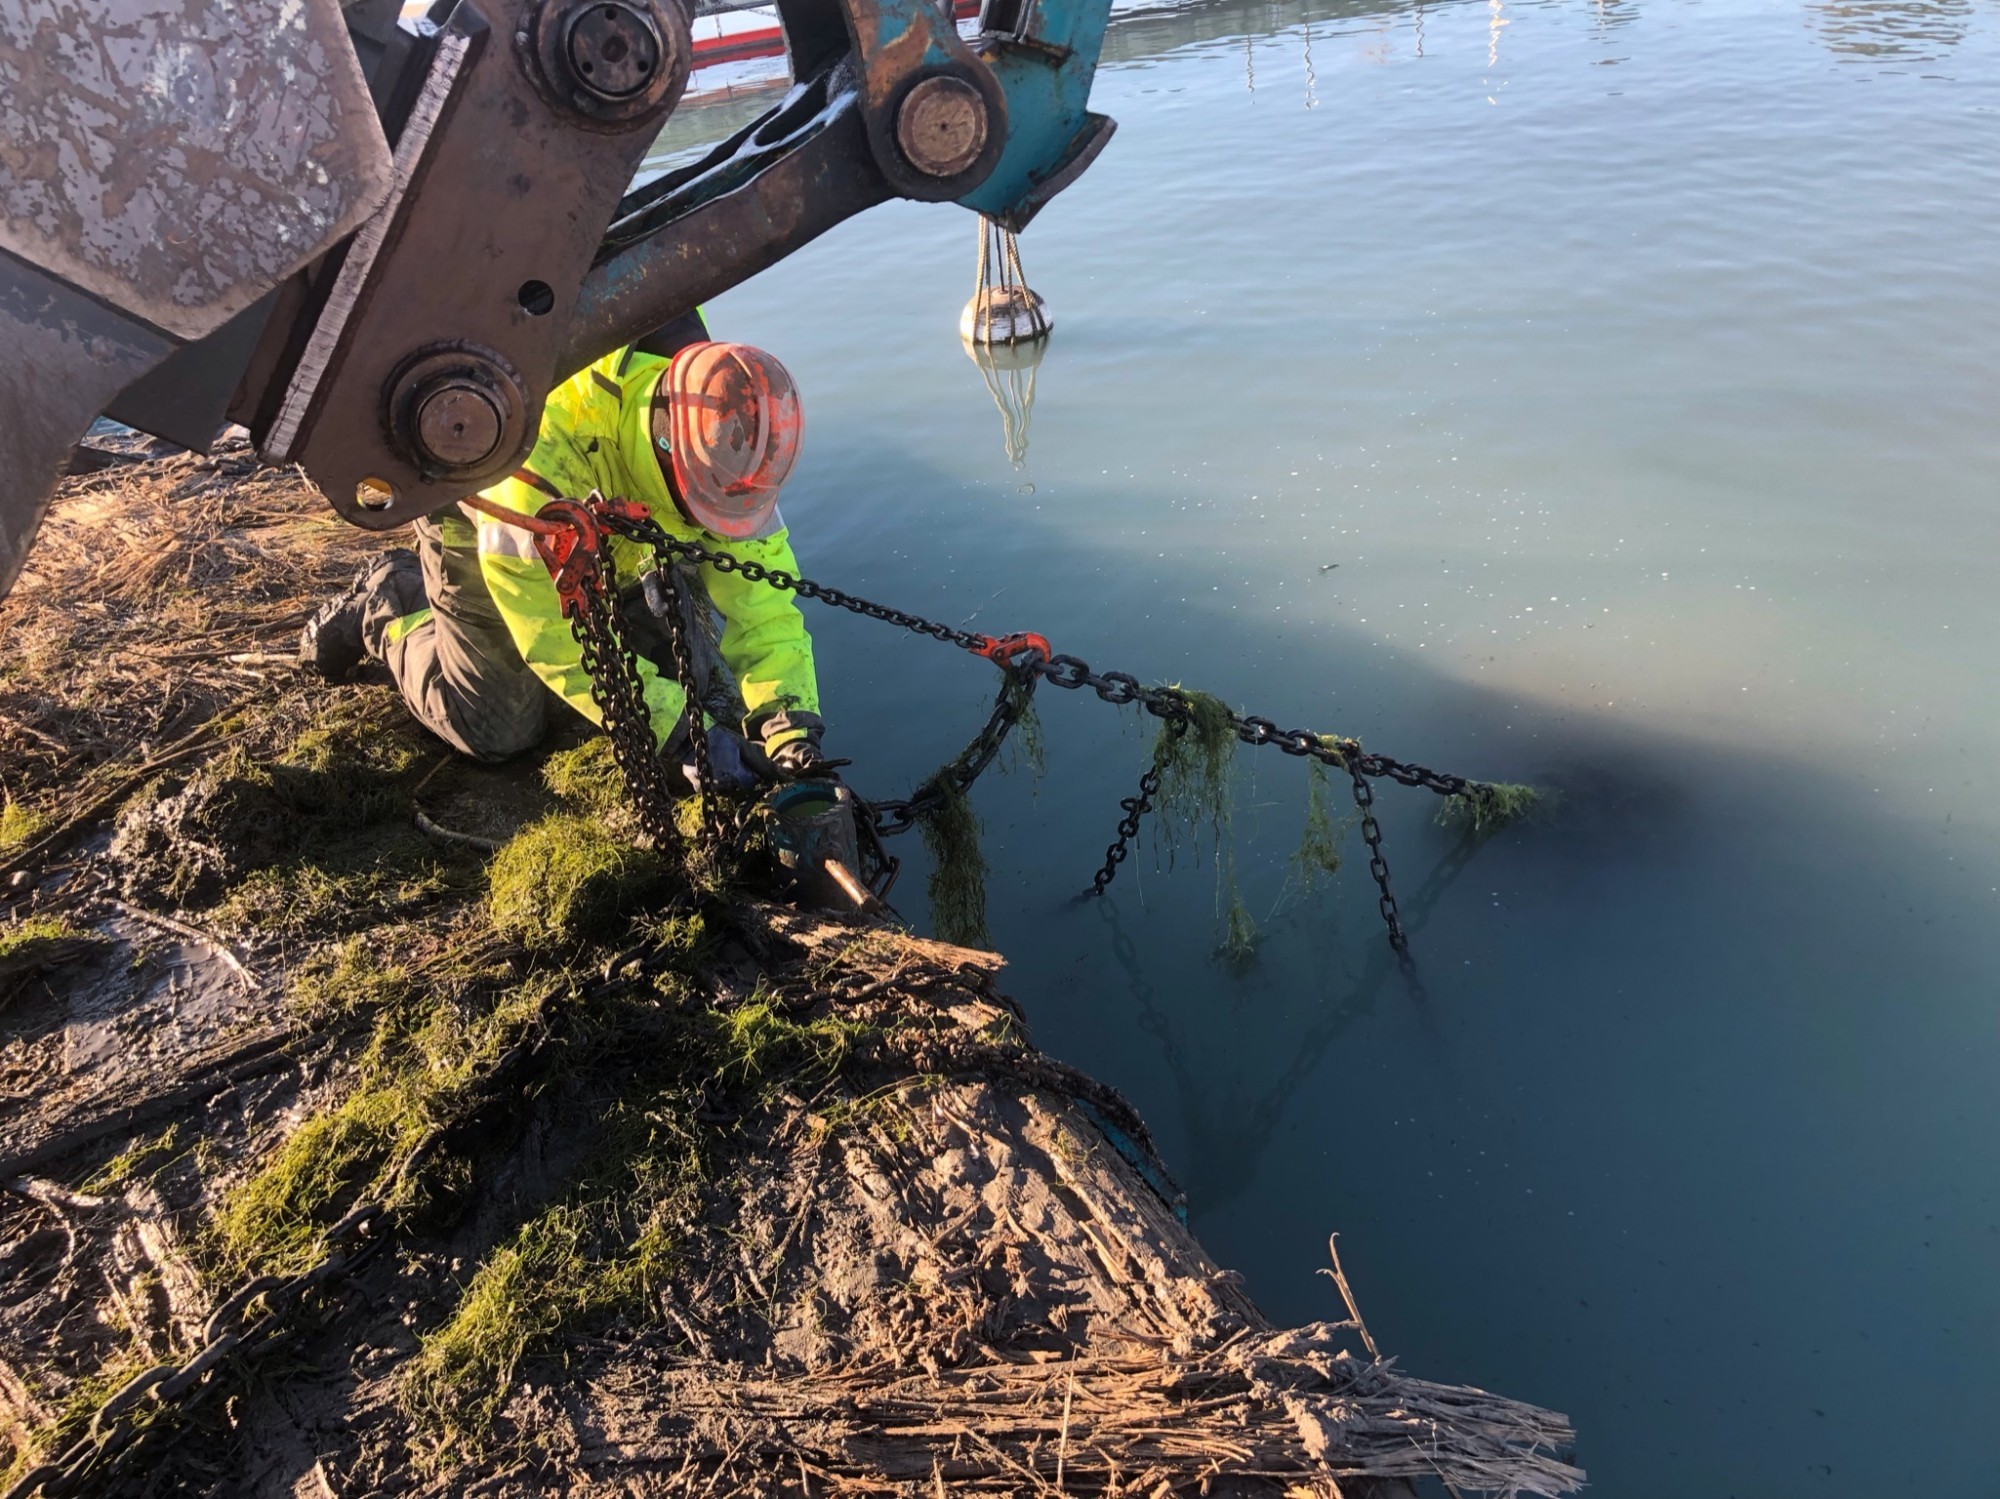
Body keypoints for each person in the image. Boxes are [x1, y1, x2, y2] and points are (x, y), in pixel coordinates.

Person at [300, 317, 825, 783]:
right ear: (667, 457)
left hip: (609, 538)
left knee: (697, 678)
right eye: (704, 512)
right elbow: (554, 639)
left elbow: (762, 602)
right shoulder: (538, 477)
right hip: (476, 511)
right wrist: (683, 736)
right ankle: (391, 602)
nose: (720, 525)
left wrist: (788, 725)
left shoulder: (731, 448)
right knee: (499, 729)